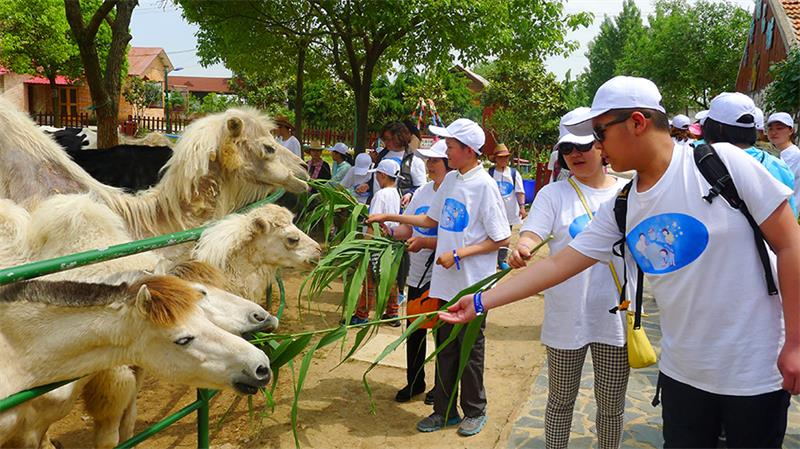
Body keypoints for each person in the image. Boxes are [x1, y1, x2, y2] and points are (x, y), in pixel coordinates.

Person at [439, 76, 800, 449]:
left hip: (754, 372)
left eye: (600, 132)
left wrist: (796, 344)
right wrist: (481, 301)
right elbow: (560, 264)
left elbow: (791, 245)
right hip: (682, 376)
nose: (596, 145)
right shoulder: (624, 204)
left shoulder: (721, 164)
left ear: (637, 122)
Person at [368, 118, 510, 437]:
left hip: (472, 285)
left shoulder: (484, 186)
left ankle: (476, 410)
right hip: (446, 284)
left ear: (469, 151)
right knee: (445, 346)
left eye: (451, 146)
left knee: (470, 350)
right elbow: (430, 220)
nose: (445, 151)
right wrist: (389, 216)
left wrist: (459, 254)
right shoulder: (452, 181)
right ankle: (444, 410)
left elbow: (501, 238)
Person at [509, 110, 629, 448]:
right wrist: (523, 246)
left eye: (583, 146)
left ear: (602, 147)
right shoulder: (553, 195)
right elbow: (532, 233)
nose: (575, 154)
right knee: (560, 402)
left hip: (615, 318)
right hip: (566, 317)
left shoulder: (627, 192)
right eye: (567, 149)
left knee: (611, 407)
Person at [386, 139, 451, 404]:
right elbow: (408, 228)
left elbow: (455, 239)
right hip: (416, 273)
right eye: (428, 160)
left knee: (442, 332)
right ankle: (415, 381)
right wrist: (390, 231)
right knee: (414, 330)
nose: (429, 165)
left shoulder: (452, 193)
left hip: (442, 275)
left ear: (449, 164)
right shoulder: (423, 191)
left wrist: (426, 243)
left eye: (435, 161)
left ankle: (441, 385)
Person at [702, 93, 797, 217]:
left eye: (780, 128)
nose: (774, 132)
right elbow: (790, 216)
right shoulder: (775, 165)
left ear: (716, 128)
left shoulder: (698, 161)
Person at [351, 159, 402, 325]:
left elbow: (374, 221)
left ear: (383, 175)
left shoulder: (380, 195)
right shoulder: (396, 193)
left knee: (369, 279)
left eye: (378, 175)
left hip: (377, 242)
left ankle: (362, 314)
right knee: (389, 277)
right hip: (390, 241)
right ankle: (392, 312)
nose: (377, 179)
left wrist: (365, 245)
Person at [356, 122, 426, 207]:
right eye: (384, 139)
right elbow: (377, 178)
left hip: (398, 209)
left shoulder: (414, 161)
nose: (386, 142)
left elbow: (421, 187)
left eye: (390, 139)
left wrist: (410, 194)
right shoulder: (382, 155)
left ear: (401, 138)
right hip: (377, 204)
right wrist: (367, 185)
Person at [488, 143, 526, 266]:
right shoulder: (490, 173)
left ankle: (501, 259)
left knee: (506, 235)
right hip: (493, 210)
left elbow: (519, 191)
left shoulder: (514, 173)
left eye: (506, 157)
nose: (504, 160)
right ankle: (491, 258)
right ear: (495, 159)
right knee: (491, 234)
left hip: (509, 210)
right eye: (501, 157)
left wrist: (522, 207)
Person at [768, 112, 800, 209]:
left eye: (779, 128)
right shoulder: (773, 152)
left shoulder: (795, 155)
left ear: (791, 131)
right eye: (770, 128)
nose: (774, 132)